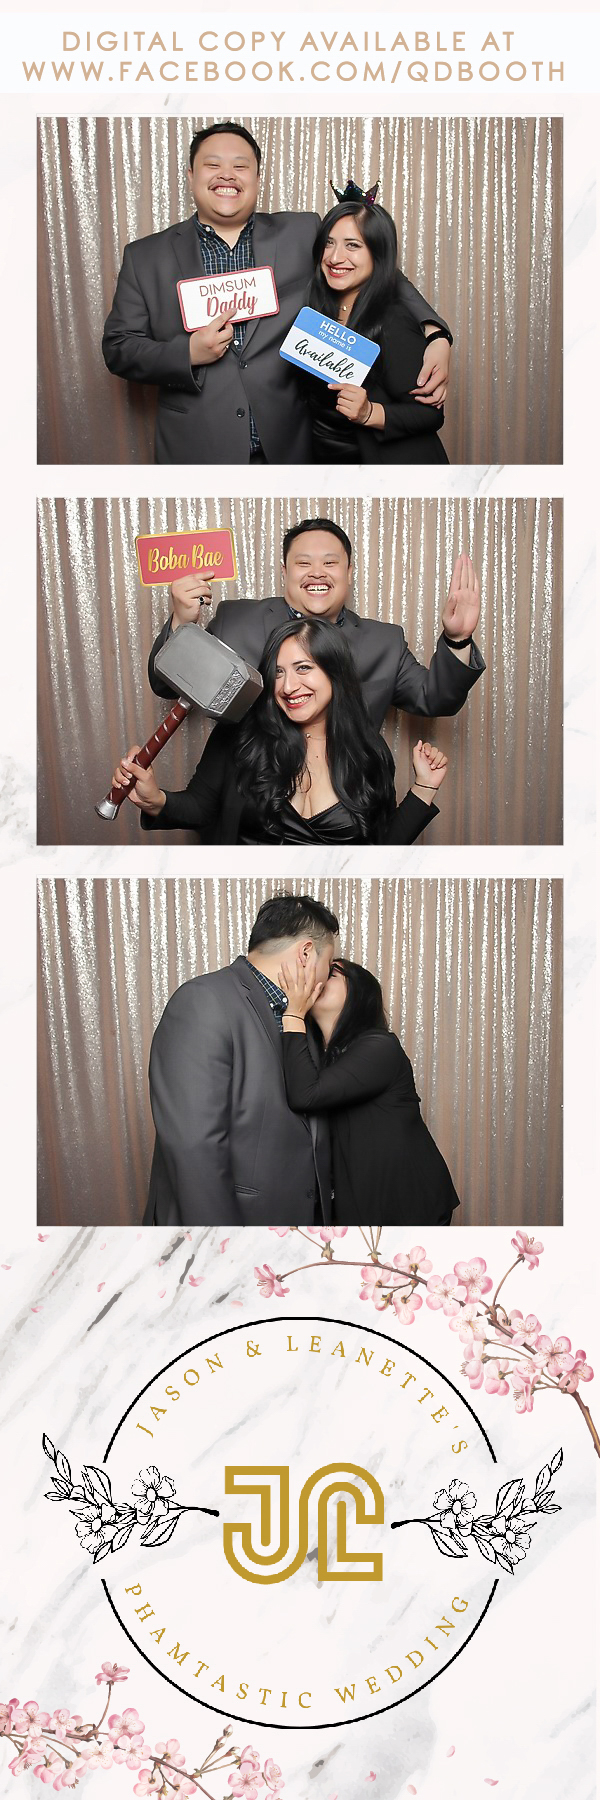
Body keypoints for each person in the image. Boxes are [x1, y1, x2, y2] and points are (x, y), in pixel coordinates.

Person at [102, 123, 450, 465]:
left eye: (240, 166)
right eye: (213, 164)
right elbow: (119, 347)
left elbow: (377, 270)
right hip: (199, 448)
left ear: (257, 178)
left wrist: (435, 332)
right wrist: (187, 353)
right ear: (191, 175)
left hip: (293, 446)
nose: (227, 175)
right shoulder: (145, 257)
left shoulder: (301, 232)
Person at [113, 618, 449, 844]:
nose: (288, 687)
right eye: (278, 673)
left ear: (335, 673)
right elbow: (201, 807)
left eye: (303, 668)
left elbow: (382, 852)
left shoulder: (368, 750)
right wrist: (155, 800)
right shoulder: (241, 735)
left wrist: (424, 787)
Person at [148, 518, 485, 735]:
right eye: (303, 563)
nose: (317, 573)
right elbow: (166, 687)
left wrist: (457, 639)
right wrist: (181, 623)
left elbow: (435, 700)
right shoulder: (236, 620)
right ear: (285, 572)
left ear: (349, 573)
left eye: (330, 563)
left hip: (344, 808)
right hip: (251, 804)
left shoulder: (385, 642)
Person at [145, 894, 339, 1227]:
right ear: (306, 953)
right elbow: (194, 1147)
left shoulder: (298, 1016)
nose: (326, 977)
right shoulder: (204, 1000)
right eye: (329, 964)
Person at [278, 952, 460, 1227]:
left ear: (359, 993)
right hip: (362, 1205)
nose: (317, 979)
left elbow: (307, 1095)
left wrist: (293, 1014)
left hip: (408, 1204)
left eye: (331, 974)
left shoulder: (379, 1046)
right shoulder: (321, 1057)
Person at [303, 191, 451, 463]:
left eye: (353, 245)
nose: (335, 257)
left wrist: (369, 413)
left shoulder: (392, 319)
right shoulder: (317, 313)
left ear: (377, 254)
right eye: (329, 243)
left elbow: (431, 414)